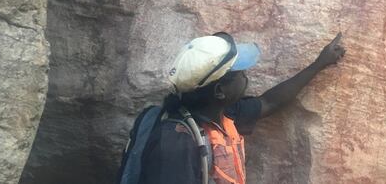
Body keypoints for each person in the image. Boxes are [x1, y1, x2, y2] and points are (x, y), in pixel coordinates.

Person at [138, 31, 345, 184]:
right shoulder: (175, 144)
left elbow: (270, 102)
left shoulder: (222, 114)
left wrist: (319, 64)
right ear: (220, 91)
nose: (247, 75)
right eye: (241, 74)